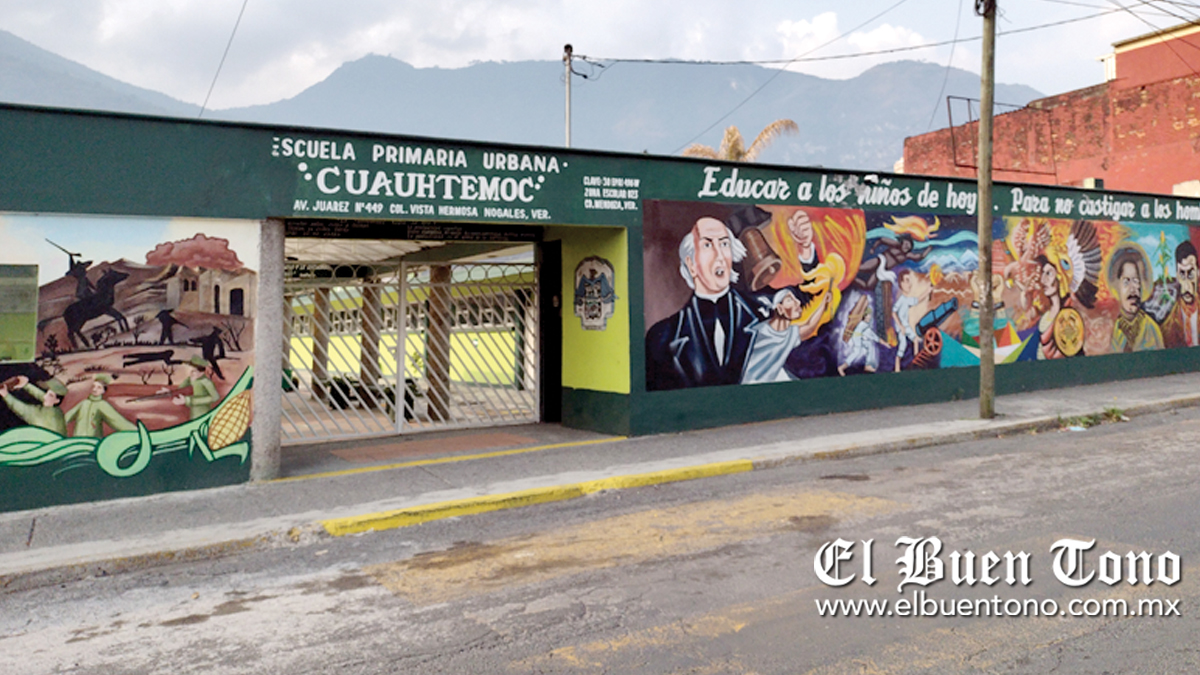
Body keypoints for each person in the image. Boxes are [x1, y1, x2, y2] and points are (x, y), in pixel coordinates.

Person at [646, 216, 759, 390]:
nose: (720, 256)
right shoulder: (662, 338)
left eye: (724, 244)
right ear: (691, 264)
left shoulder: (763, 314)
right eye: (707, 245)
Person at [742, 289, 830, 384]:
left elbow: (809, 326)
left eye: (795, 299)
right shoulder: (758, 332)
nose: (798, 302)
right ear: (780, 308)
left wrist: (824, 303)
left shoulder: (790, 333)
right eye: (789, 300)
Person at [1109, 248, 1164, 353]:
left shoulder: (1151, 328)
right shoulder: (1113, 330)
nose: (1132, 289)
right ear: (1118, 287)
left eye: (1136, 281)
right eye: (1126, 282)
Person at [65, 374, 135, 437]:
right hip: (77, 440)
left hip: (93, 442)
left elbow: (117, 421)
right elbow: (67, 417)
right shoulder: (83, 403)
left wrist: (135, 431)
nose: (94, 389)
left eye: (99, 387)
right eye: (93, 386)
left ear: (103, 391)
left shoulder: (102, 405)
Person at [1162, 241, 1199, 348]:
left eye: (1191, 274)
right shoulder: (1169, 326)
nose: (1187, 286)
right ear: (1177, 276)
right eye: (1182, 275)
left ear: (1198, 273)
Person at [0, 376, 68, 434]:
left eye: (50, 395)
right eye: (47, 393)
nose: (45, 396)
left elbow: (21, 408)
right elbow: (42, 396)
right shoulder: (56, 410)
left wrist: (6, 395)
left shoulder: (39, 416)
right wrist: (26, 385)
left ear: (57, 400)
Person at [892, 270, 931, 371]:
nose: (909, 284)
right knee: (902, 346)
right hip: (902, 327)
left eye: (910, 281)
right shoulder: (901, 300)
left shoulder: (906, 299)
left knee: (915, 340)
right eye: (907, 280)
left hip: (905, 325)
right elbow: (893, 312)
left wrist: (927, 291)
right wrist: (900, 326)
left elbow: (918, 300)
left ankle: (915, 362)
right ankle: (897, 368)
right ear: (901, 283)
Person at [168, 355, 220, 420]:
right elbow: (180, 388)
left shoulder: (206, 382)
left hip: (203, 413)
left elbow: (215, 397)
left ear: (201, 372)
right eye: (191, 370)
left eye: (194, 371)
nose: (191, 373)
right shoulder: (192, 379)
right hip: (193, 413)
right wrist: (169, 391)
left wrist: (188, 400)